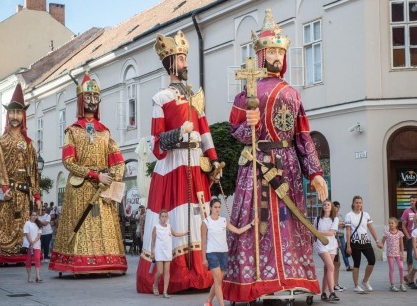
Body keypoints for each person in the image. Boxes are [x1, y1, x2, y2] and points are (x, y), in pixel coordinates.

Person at [223, 9, 328, 301]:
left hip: (289, 167)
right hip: (257, 165)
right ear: (261, 55)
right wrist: (249, 127)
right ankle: (255, 281)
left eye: (280, 52)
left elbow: (302, 136)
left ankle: (290, 277)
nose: (277, 57)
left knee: (288, 223)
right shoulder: (246, 93)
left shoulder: (293, 94)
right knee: (257, 221)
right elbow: (235, 130)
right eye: (271, 51)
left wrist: (316, 173)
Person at [137, 30, 220, 293]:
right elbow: (156, 144)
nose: (186, 64)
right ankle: (178, 274)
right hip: (173, 165)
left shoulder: (196, 98)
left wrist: (214, 161)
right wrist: (178, 133)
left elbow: (205, 131)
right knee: (178, 216)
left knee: (199, 215)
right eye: (182, 59)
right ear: (171, 63)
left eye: (186, 58)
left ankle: (202, 268)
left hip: (195, 163)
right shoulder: (161, 98)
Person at [49, 70, 127, 275]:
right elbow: (68, 162)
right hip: (81, 188)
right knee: (82, 226)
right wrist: (94, 175)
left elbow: (118, 161)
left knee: (103, 226)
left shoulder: (105, 132)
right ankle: (79, 263)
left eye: (96, 97)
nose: (92, 101)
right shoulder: (72, 131)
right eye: (88, 97)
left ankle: (107, 262)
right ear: (81, 100)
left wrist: (112, 177)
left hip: (103, 188)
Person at [0, 83, 42, 264]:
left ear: (23, 116)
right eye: (11, 112)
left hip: (23, 193)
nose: (14, 116)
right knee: (6, 224)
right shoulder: (2, 142)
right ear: (8, 115)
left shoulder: (28, 143)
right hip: (8, 192)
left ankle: (21, 252)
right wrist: (5, 187)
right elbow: (0, 166)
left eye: (18, 112)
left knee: (22, 224)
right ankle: (4, 254)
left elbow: (34, 170)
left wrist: (36, 194)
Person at [202, 199, 254, 306]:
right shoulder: (205, 222)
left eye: (219, 207)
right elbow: (203, 242)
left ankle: (208, 301)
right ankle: (222, 304)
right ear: (211, 208)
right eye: (215, 207)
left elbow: (238, 231)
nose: (217, 209)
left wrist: (251, 225)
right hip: (212, 254)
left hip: (224, 253)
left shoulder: (223, 220)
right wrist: (204, 258)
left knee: (218, 280)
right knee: (218, 280)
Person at [345, 195, 383, 292]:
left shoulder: (365, 214)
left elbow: (371, 228)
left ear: (362, 204)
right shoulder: (349, 215)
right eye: (356, 202)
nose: (358, 204)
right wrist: (348, 246)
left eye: (360, 203)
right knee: (356, 263)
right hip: (355, 242)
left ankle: (365, 281)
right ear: (353, 204)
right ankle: (356, 285)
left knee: (372, 260)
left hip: (365, 241)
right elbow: (348, 231)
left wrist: (377, 241)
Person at [150, 209, 188, 298]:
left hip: (167, 251)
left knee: (167, 272)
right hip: (159, 251)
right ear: (159, 217)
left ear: (167, 217)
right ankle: (155, 285)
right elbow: (153, 241)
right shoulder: (156, 227)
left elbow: (175, 234)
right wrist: (152, 252)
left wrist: (185, 233)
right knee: (160, 271)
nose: (164, 218)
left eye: (165, 216)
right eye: (162, 216)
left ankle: (165, 292)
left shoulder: (169, 227)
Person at [314, 200, 340, 302]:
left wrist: (317, 232)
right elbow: (313, 232)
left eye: (328, 204)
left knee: (327, 269)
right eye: (324, 204)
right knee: (331, 267)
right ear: (322, 207)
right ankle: (332, 293)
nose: (326, 206)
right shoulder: (317, 219)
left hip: (332, 246)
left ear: (331, 207)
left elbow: (331, 233)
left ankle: (323, 293)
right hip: (321, 246)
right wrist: (316, 233)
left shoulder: (335, 219)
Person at [379, 217, 406, 292]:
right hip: (390, 254)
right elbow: (382, 242)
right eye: (389, 223)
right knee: (391, 269)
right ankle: (392, 285)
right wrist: (380, 245)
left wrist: (402, 253)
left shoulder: (400, 233)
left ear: (396, 224)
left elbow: (401, 244)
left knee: (401, 267)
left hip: (398, 253)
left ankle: (401, 284)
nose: (390, 224)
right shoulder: (387, 233)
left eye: (392, 223)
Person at [401, 194, 416, 285]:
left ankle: (408, 277)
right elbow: (403, 225)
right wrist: (408, 236)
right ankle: (410, 280)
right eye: (411, 201)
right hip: (411, 237)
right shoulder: (407, 211)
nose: (412, 202)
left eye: (414, 201)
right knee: (410, 259)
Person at [23, 211, 42, 283]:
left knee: (37, 259)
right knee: (28, 260)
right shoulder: (27, 223)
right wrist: (31, 243)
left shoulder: (39, 224)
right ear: (30, 216)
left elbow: (39, 235)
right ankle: (29, 276)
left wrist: (34, 242)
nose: (34, 216)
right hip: (29, 245)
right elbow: (27, 234)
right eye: (33, 215)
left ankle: (38, 275)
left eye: (35, 215)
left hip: (37, 245)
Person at [333, 201, 352, 272]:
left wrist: (340, 224)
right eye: (337, 206)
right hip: (334, 236)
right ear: (333, 207)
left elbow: (344, 224)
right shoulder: (331, 216)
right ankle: (333, 265)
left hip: (341, 236)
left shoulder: (340, 216)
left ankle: (348, 266)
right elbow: (332, 224)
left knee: (344, 251)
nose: (338, 208)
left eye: (339, 207)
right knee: (334, 252)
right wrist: (339, 223)